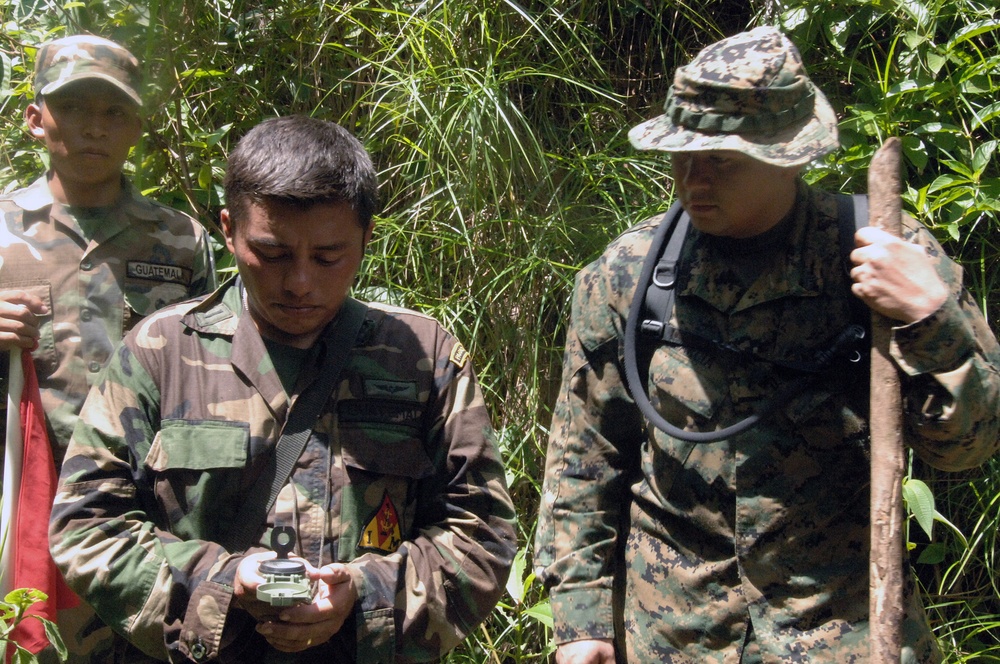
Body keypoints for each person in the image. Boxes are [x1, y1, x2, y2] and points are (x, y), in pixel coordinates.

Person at [534, 26, 1000, 663]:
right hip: (672, 637)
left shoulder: (882, 256)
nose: (692, 180)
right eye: (681, 157)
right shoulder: (629, 275)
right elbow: (583, 460)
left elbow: (970, 448)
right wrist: (580, 621)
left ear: (788, 155)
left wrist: (928, 318)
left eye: (720, 161)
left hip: (844, 634)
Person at [49, 115, 517, 663]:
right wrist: (221, 583)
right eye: (271, 254)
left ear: (367, 237)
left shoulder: (423, 356)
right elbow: (85, 525)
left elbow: (482, 534)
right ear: (228, 229)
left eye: (328, 257)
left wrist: (365, 597)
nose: (299, 282)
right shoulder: (161, 352)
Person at [0, 34, 217, 662]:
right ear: (36, 119)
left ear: (136, 129)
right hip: (24, 496)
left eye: (113, 111)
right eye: (74, 107)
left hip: (142, 507)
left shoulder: (179, 242)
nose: (94, 127)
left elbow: (217, 370)